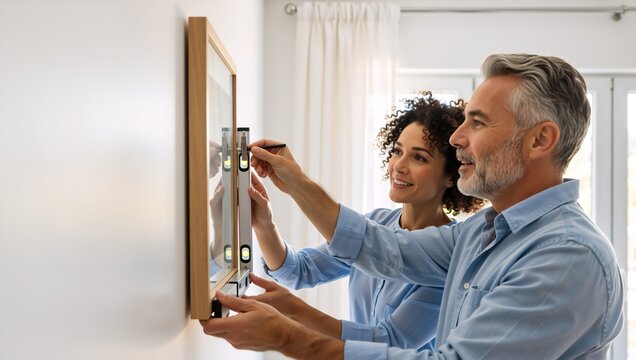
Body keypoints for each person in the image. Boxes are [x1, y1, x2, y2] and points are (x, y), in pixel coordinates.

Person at [200, 53, 624, 359]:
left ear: (540, 140)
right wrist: (293, 183)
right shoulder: (482, 231)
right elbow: (380, 247)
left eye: (477, 122)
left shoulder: (566, 255)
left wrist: (289, 336)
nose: (459, 139)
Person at [244, 93, 484, 351]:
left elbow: (388, 341)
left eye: (419, 158)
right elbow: (298, 271)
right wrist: (264, 224)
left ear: (451, 175)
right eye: (397, 151)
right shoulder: (377, 223)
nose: (398, 166)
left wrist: (294, 310)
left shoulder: (449, 259)